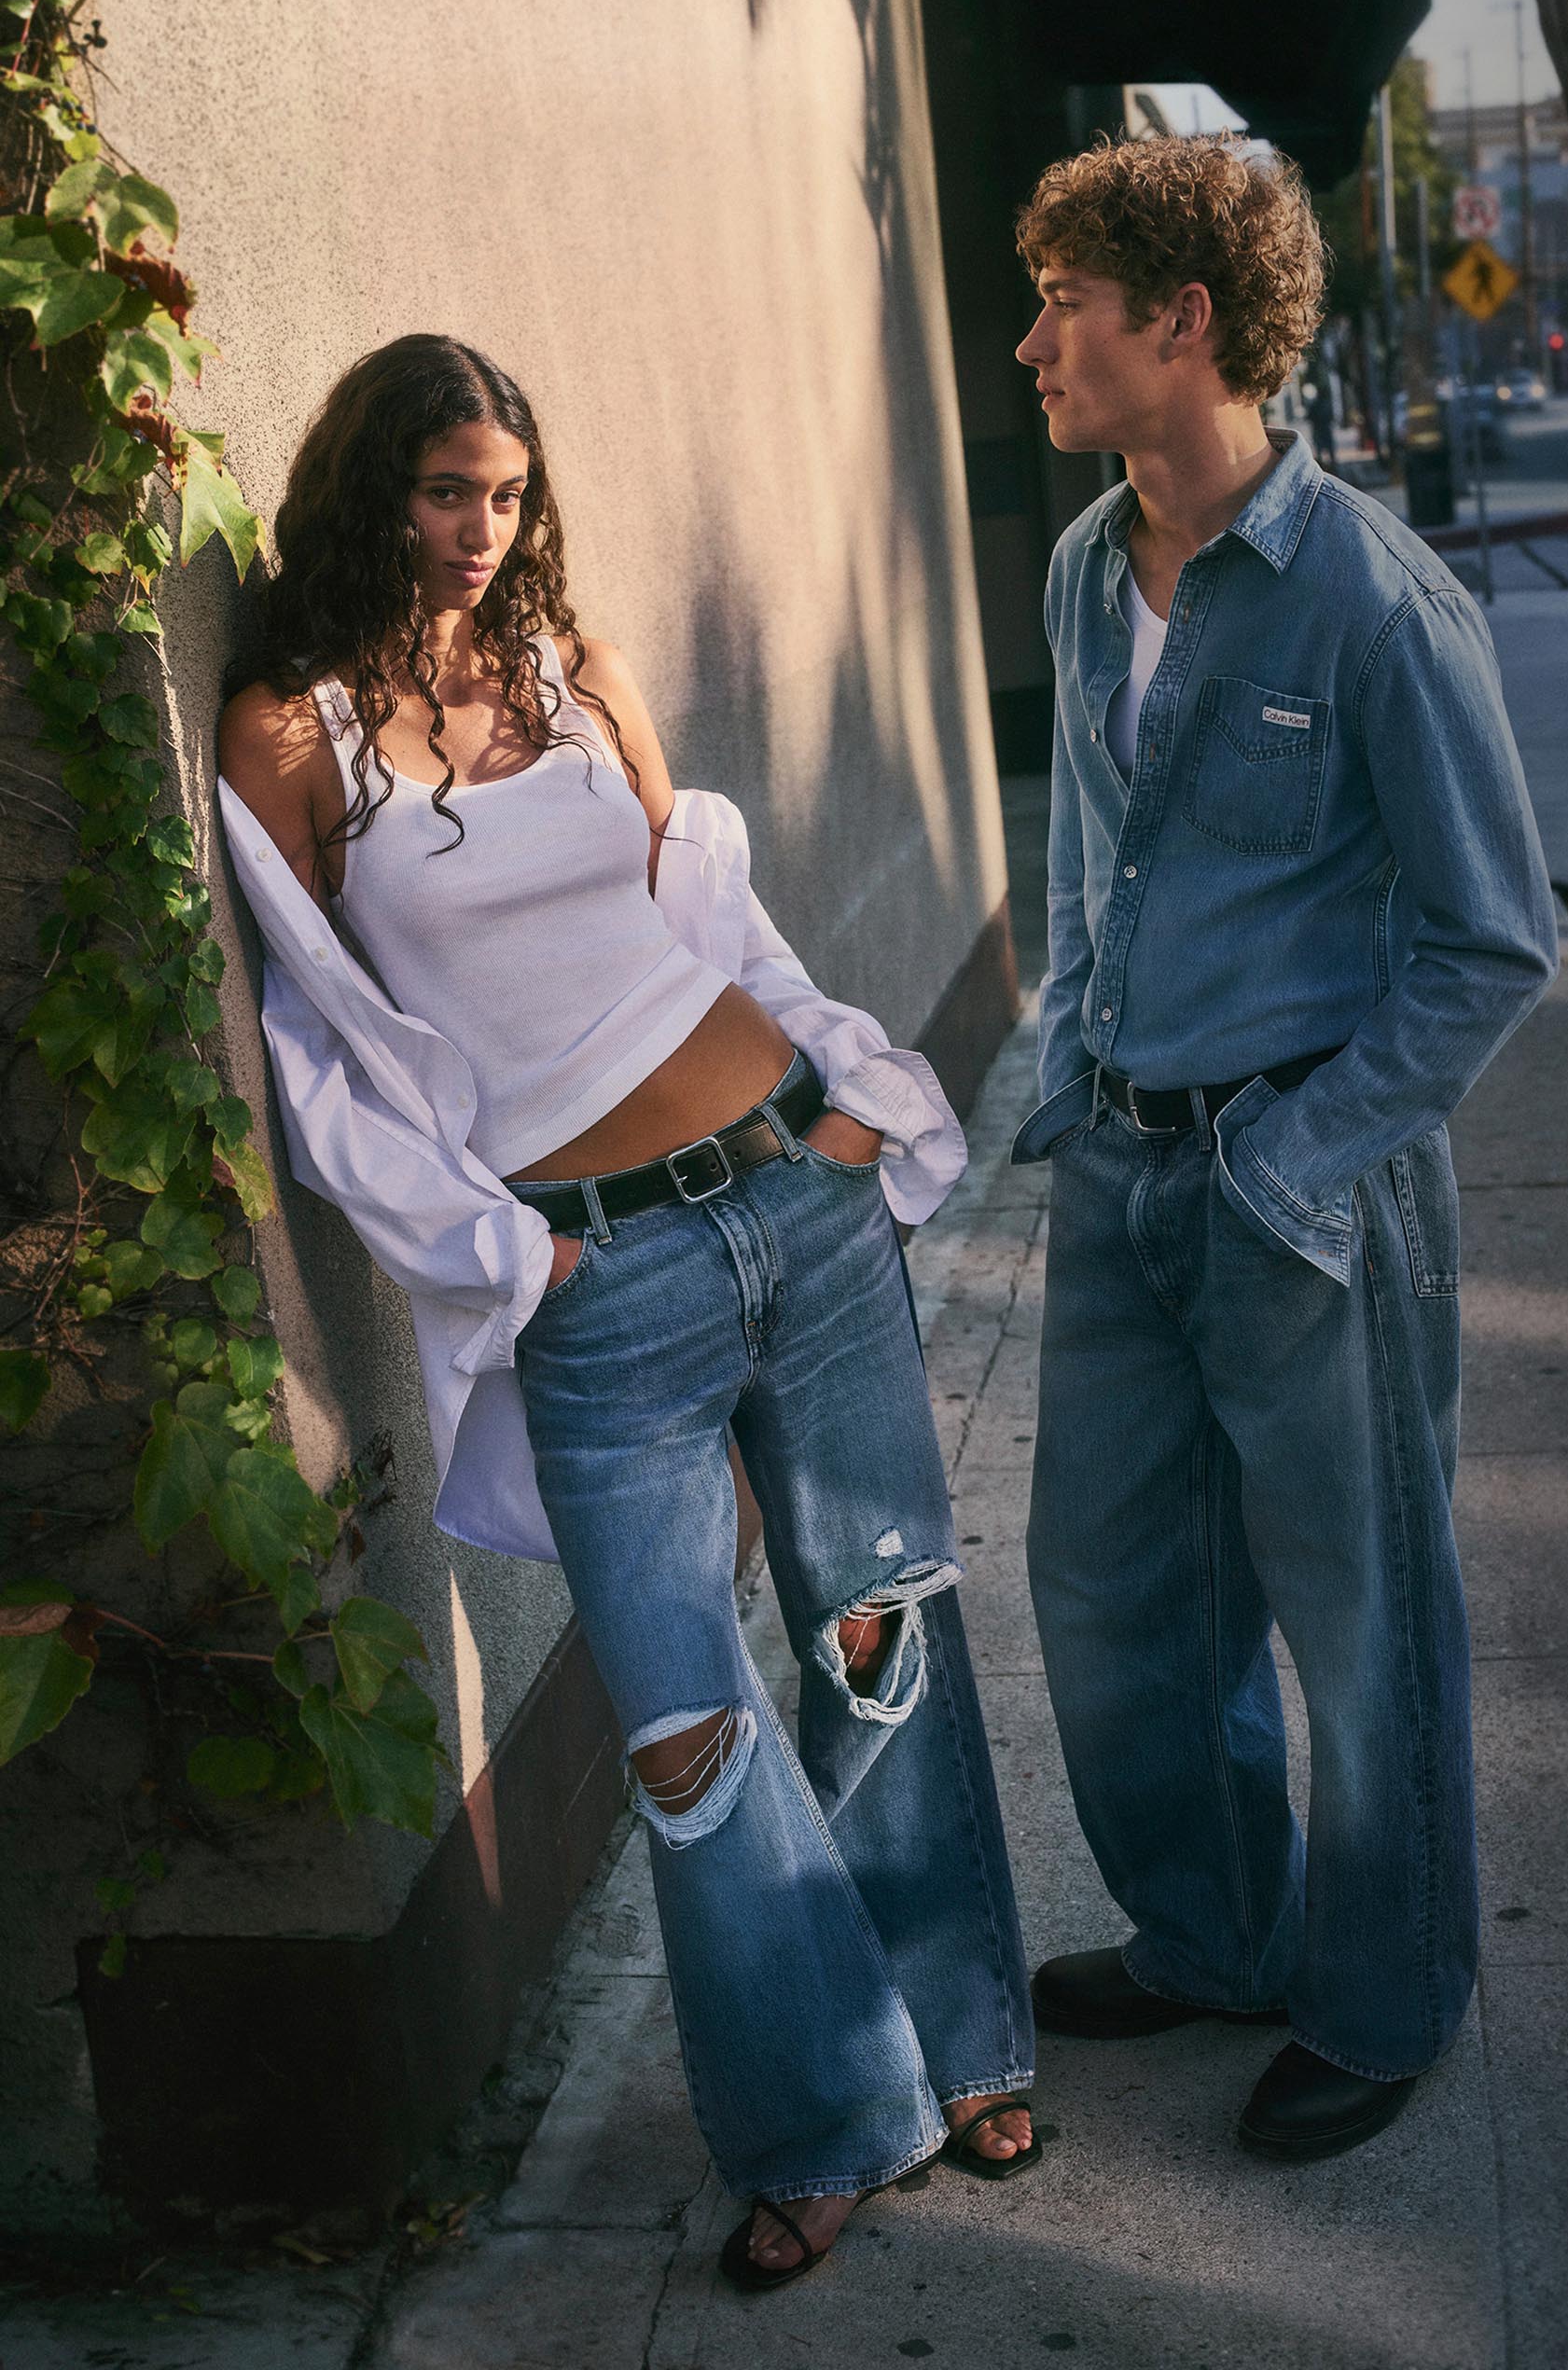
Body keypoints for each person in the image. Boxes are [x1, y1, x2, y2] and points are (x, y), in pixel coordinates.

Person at [217, 335, 1039, 2288]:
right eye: (441, 490)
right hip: (600, 1287)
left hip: (790, 1192)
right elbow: (328, 1064)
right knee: (682, 1724)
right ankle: (827, 2112)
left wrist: (849, 1104)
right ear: (370, 490)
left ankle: (968, 2028)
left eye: (504, 490)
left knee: (875, 1626)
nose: (480, 530)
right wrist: (514, 1255)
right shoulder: (292, 734)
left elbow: (706, 915)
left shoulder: (574, 672)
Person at [1009, 138, 1557, 2162]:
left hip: (1312, 1193)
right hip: (1126, 1170)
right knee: (1113, 1598)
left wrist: (1302, 1154)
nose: (1031, 337)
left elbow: (1493, 936)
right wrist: (1072, 1074)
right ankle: (1218, 1927)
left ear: (1187, 321)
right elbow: (1086, 850)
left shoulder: (1375, 598)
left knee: (1359, 1616)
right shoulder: (1083, 565)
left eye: (1070, 297)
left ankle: (1385, 1989)